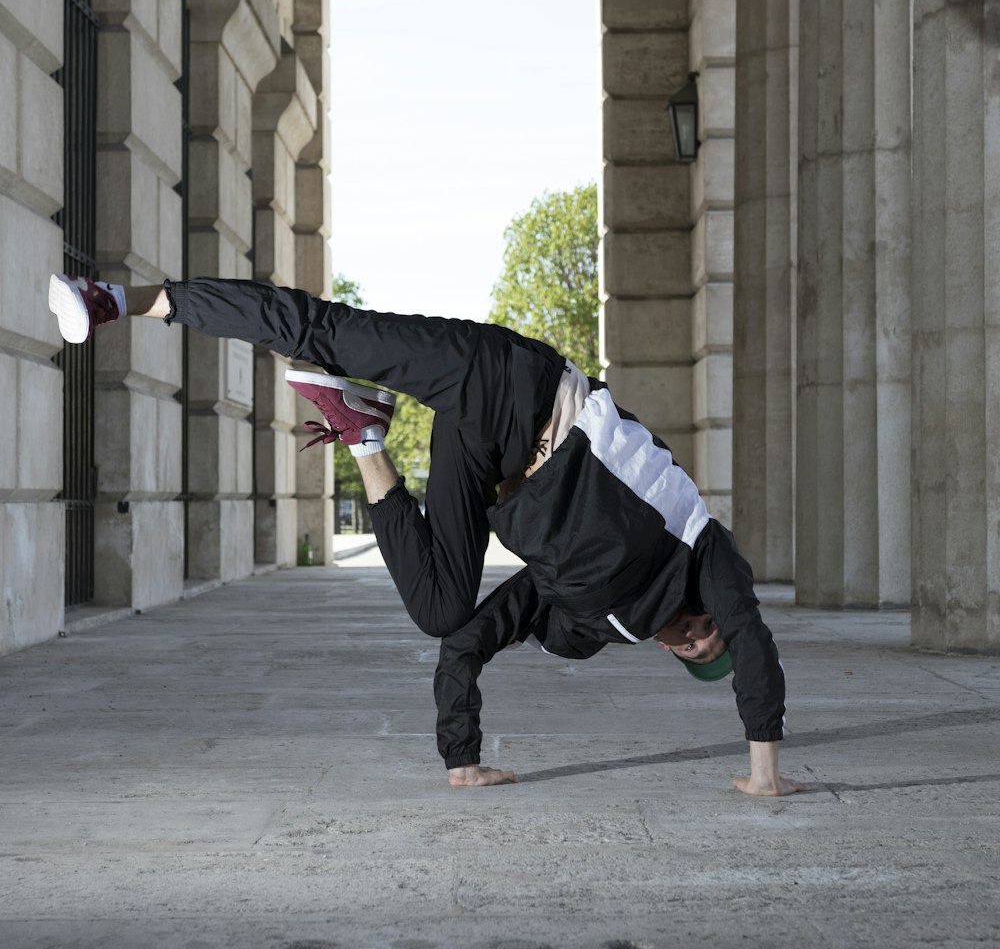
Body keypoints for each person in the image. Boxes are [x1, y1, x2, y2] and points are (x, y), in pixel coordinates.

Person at [48, 272, 816, 799]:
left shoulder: (589, 615)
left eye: (695, 650)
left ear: (668, 653)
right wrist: (765, 769)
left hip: (484, 460)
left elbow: (471, 640)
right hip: (510, 384)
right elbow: (751, 634)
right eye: (708, 631)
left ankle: (363, 436)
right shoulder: (696, 541)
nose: (699, 635)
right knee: (325, 333)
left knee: (441, 607)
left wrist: (463, 757)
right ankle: (117, 298)